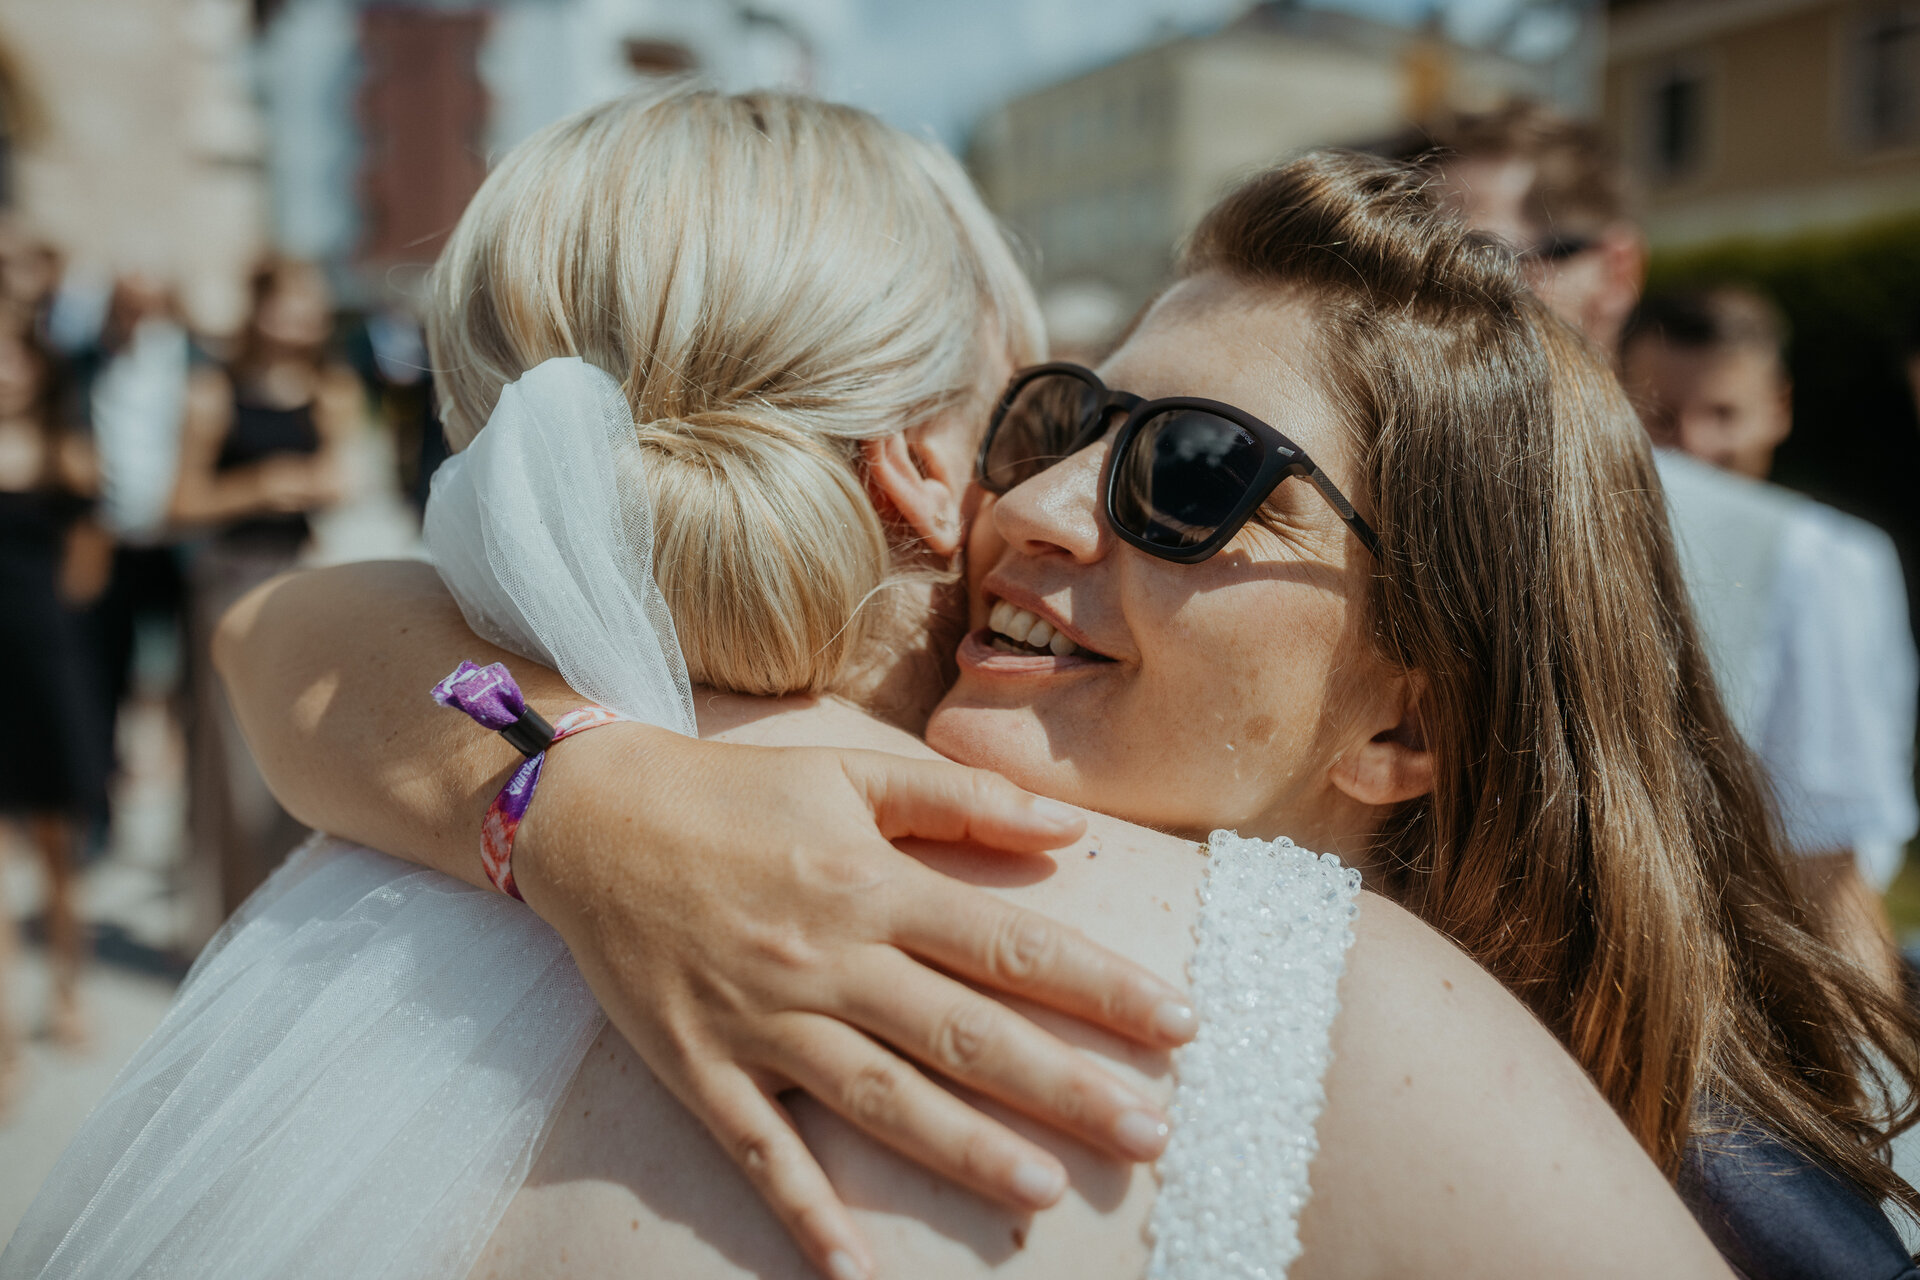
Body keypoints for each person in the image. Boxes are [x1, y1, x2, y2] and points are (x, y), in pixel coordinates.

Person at [4, 91, 1735, 1280]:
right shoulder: (1356, 1022)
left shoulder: (1375, 1025)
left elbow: (282, 632)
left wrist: (558, 788)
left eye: (1195, 472)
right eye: (1057, 418)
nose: (1035, 506)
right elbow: (285, 631)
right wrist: (578, 799)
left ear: (1415, 714)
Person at [1421, 100, 1920, 1000]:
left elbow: (1831, 891)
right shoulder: (1380, 516)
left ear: (1614, 271)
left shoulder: (1800, 558)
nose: (1430, 300)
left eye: (1482, 257)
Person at [167, 258, 357, 933]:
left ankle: (289, 916)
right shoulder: (212, 391)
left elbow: (344, 478)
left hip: (298, 577)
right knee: (233, 767)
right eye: (288, 303)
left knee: (300, 751)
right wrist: (260, 485)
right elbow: (179, 502)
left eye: (310, 303)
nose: (300, 318)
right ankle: (230, 919)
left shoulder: (330, 387)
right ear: (258, 309)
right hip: (229, 580)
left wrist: (318, 483)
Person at [0, 321, 110, 1111]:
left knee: (55, 846)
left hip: (46, 663)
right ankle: (4, 1037)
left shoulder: (66, 456)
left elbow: (88, 572)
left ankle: (68, 986)